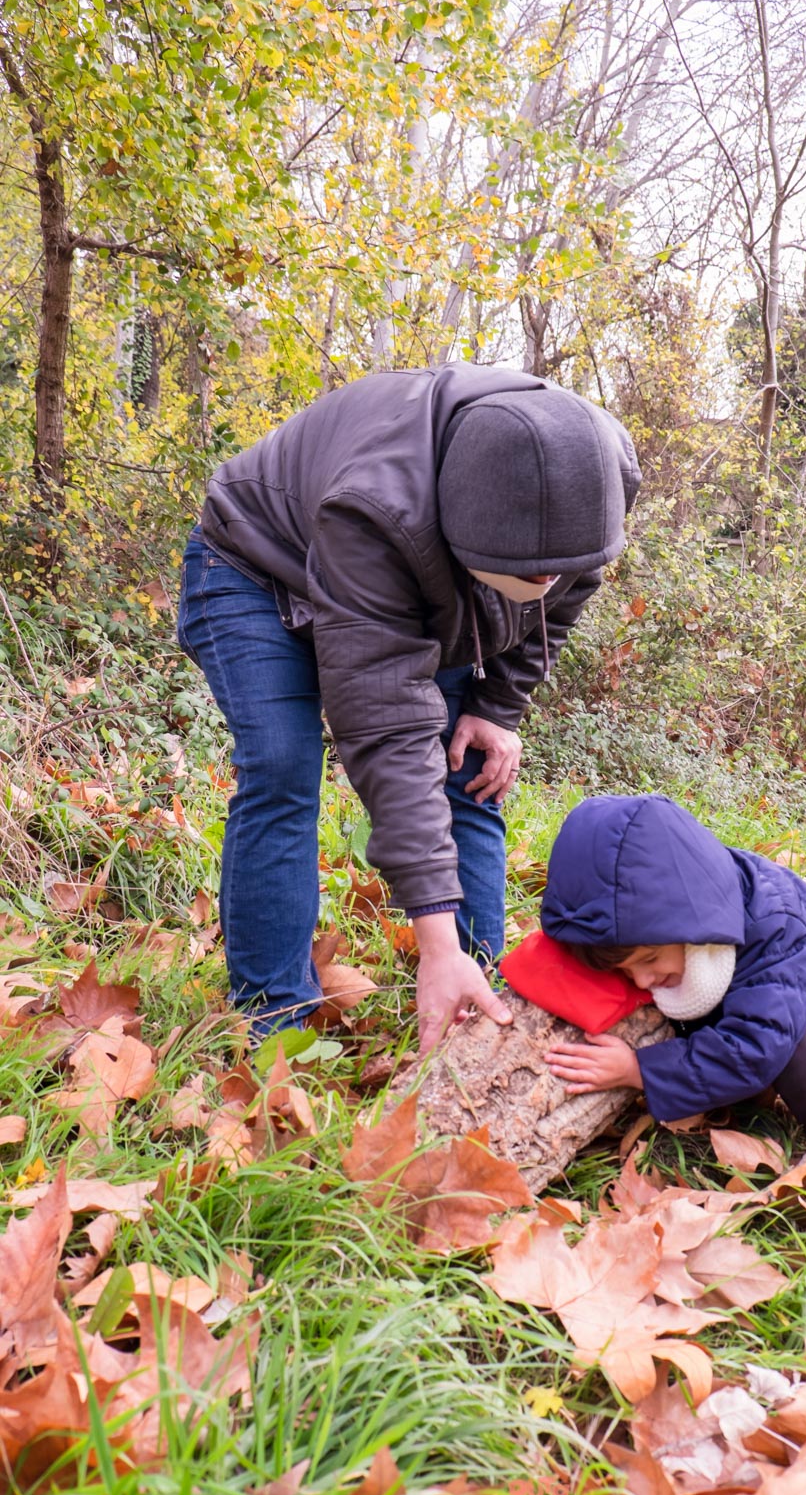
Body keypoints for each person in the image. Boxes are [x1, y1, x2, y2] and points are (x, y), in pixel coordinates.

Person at [176, 361, 640, 1049]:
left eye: (556, 566)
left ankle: (482, 1004)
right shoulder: (379, 510)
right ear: (465, 531)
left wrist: (496, 704)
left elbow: (566, 596)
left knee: (472, 767)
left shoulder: (594, 468)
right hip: (256, 566)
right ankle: (275, 1019)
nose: (547, 581)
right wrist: (433, 939)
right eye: (529, 571)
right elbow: (388, 726)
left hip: (425, 577)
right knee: (283, 765)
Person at [540, 794, 806, 1142]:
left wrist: (639, 1071)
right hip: (780, 1012)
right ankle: (740, 1092)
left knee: (798, 1058)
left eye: (648, 961)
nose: (643, 980)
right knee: (765, 1050)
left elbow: (757, 1048)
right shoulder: (680, 919)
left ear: (691, 921)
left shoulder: (776, 925)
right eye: (627, 972)